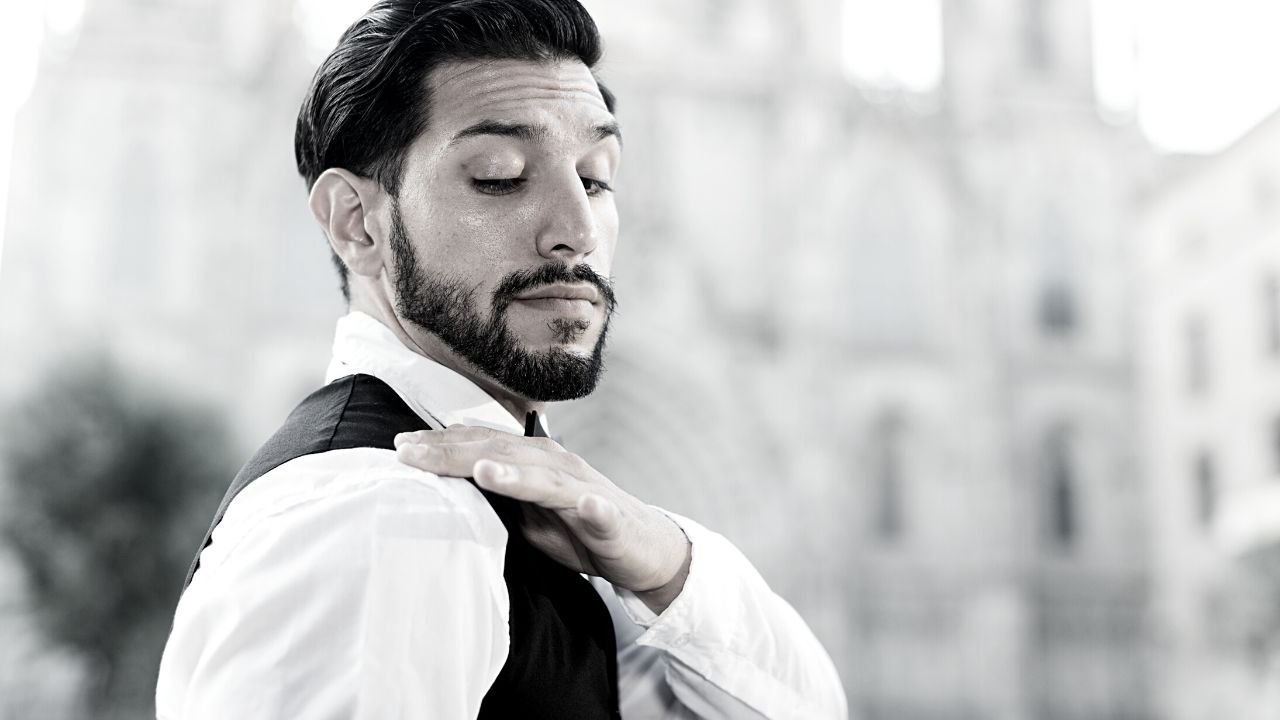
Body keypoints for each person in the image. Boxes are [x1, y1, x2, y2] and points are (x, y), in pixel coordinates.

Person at [156, 1, 847, 718]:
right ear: (357, 223)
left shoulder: (528, 517)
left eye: (596, 176)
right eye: (499, 176)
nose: (578, 229)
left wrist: (663, 558)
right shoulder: (381, 515)